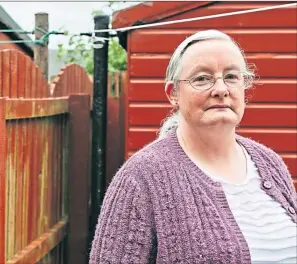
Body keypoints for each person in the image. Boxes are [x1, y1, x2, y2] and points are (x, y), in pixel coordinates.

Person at [89, 30, 297, 264]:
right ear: (173, 94)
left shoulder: (270, 163)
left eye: (231, 76)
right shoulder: (140, 178)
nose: (221, 89)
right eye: (202, 79)